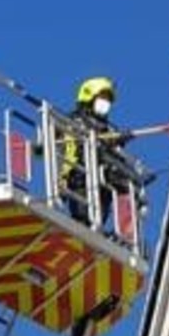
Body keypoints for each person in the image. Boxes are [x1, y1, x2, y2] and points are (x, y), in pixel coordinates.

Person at [62, 76, 127, 226]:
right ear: (89, 98)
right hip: (81, 178)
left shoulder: (109, 129)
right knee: (83, 217)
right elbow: (66, 146)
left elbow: (115, 152)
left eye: (107, 101)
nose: (105, 104)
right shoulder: (74, 121)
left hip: (103, 183)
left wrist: (118, 141)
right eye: (101, 98)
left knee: (100, 218)